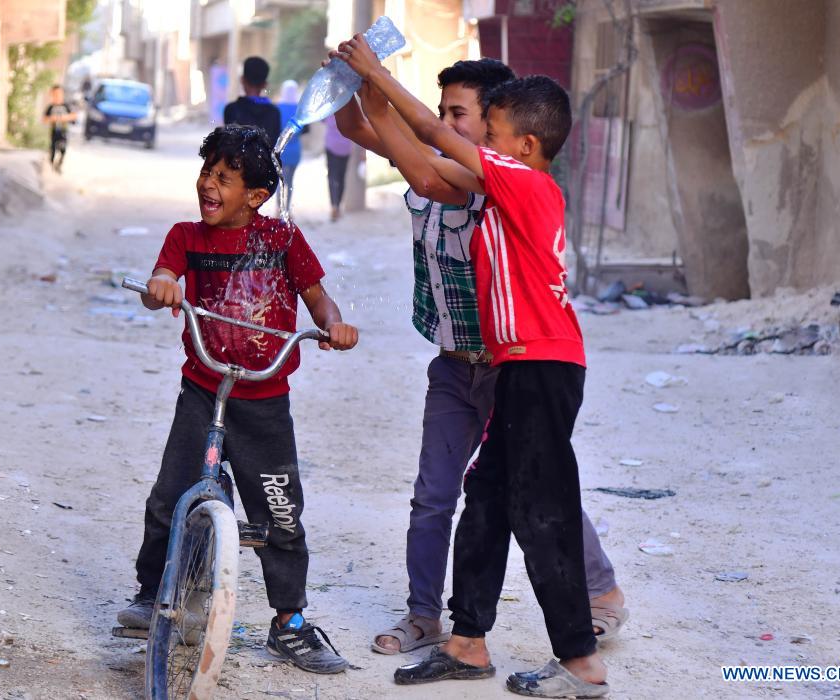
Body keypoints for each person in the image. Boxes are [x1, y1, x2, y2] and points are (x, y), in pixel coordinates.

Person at [337, 38, 612, 696]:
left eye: (488, 129)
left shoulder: (523, 183)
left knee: (539, 512)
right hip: (522, 367)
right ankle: (465, 643)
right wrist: (368, 96)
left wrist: (378, 72)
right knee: (484, 506)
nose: (474, 137)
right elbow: (426, 165)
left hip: (542, 366)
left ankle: (579, 663)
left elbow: (433, 133)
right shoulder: (501, 182)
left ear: (520, 146)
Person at [116, 124, 358, 675]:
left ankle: (290, 621)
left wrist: (334, 325)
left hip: (265, 399)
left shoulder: (283, 241)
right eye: (206, 172)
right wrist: (163, 288)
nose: (208, 184)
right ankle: (150, 590)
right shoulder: (186, 236)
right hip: (203, 388)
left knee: (280, 512)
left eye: (224, 178)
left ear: (256, 195)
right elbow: (163, 277)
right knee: (167, 497)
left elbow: (318, 299)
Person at [224, 56, 282, 146]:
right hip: (265, 160)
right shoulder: (274, 113)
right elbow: (274, 148)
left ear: (242, 80)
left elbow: (228, 145)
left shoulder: (231, 110)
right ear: (265, 85)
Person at [275, 80, 303, 197]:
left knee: (280, 180)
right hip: (295, 149)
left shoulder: (277, 108)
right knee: (291, 180)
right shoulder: (299, 109)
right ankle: (287, 208)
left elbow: (275, 128)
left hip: (280, 149)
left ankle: (279, 208)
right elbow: (303, 129)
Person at [324, 114, 353, 221]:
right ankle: (338, 205)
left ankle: (334, 206)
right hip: (345, 147)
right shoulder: (348, 109)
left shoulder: (330, 109)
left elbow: (322, 119)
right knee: (341, 177)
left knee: (332, 176)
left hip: (331, 146)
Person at [43, 85, 77, 173]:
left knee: (63, 149)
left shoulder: (66, 106)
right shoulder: (51, 107)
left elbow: (74, 116)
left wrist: (64, 118)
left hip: (64, 131)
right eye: (55, 94)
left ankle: (59, 165)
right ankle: (51, 167)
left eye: (59, 94)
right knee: (53, 149)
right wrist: (52, 118)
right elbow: (45, 119)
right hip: (54, 131)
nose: (57, 96)